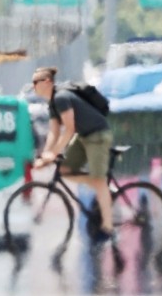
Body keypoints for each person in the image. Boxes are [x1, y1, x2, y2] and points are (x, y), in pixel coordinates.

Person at [31, 66, 114, 243]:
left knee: (99, 181)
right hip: (84, 137)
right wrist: (45, 154)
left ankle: (107, 226)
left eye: (35, 82)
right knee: (65, 171)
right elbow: (53, 131)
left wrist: (53, 154)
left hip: (97, 135)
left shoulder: (61, 98)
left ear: (47, 82)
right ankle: (102, 189)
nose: (33, 87)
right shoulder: (53, 103)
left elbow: (69, 129)